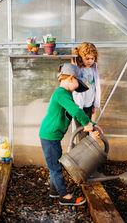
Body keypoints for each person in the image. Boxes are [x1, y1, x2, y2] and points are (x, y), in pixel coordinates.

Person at [39, 63, 93, 206]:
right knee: (55, 167)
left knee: (53, 164)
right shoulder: (61, 93)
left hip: (52, 136)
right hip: (49, 136)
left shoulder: (65, 94)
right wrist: (87, 123)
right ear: (70, 78)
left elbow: (73, 111)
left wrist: (91, 124)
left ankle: (54, 190)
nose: (77, 88)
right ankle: (65, 197)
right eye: (77, 84)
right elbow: (75, 111)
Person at [71, 42, 101, 125]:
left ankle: (86, 138)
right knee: (80, 128)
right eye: (87, 59)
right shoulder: (79, 69)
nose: (90, 61)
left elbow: (96, 88)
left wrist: (94, 105)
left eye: (92, 58)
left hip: (89, 103)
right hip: (79, 104)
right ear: (81, 58)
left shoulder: (93, 69)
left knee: (87, 127)